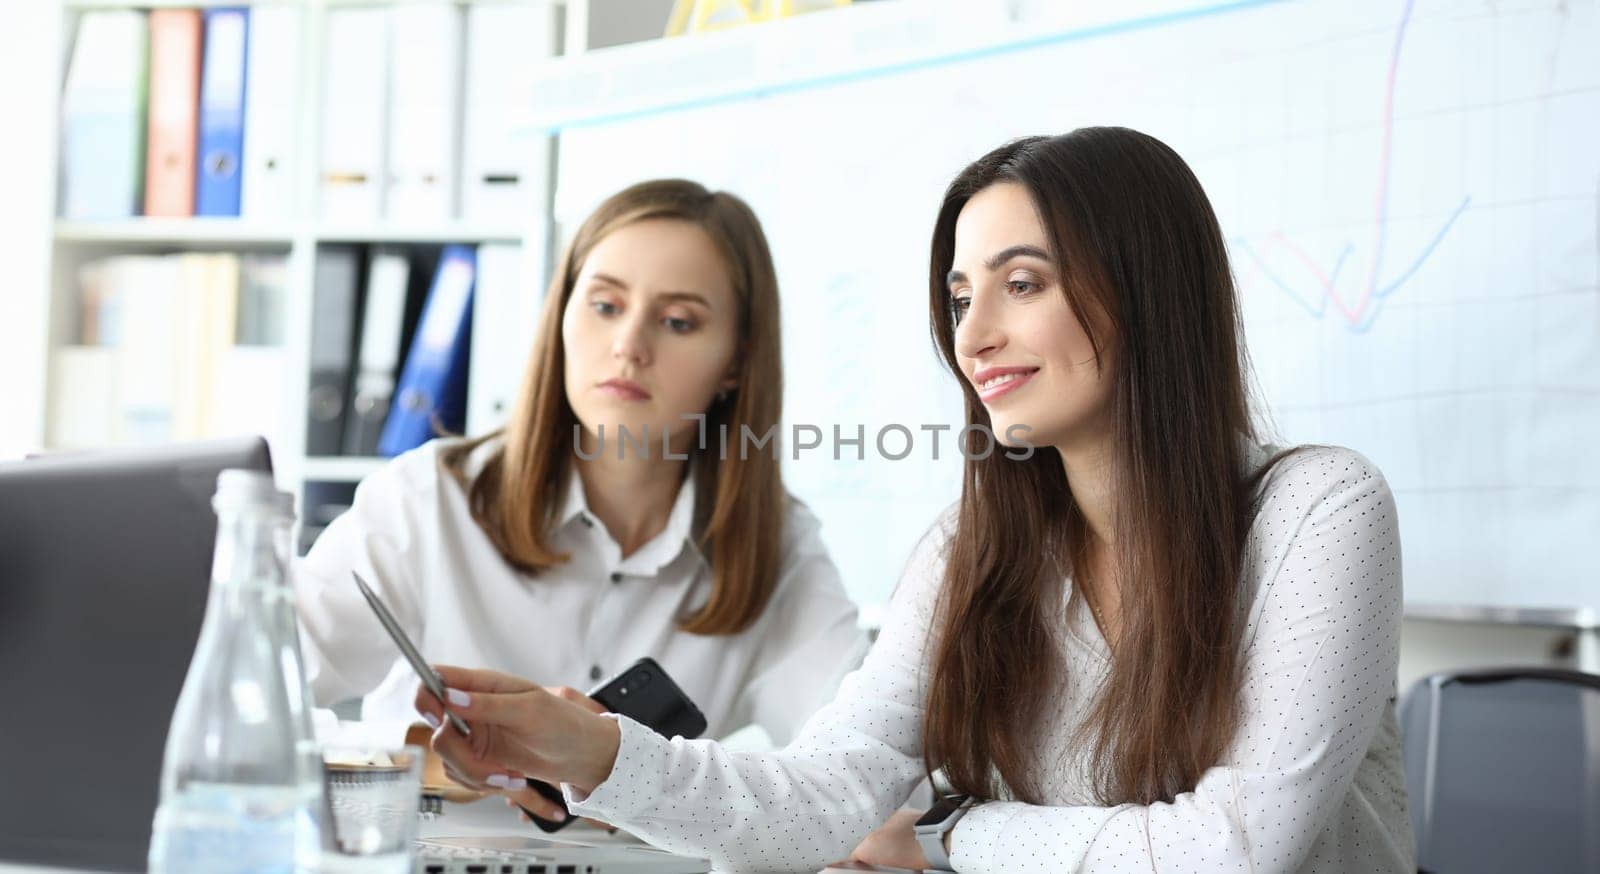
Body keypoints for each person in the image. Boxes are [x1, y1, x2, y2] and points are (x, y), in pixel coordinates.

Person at [415, 129, 1415, 873]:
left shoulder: (1319, 513)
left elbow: (1233, 851)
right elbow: (814, 798)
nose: (972, 335)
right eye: (958, 296)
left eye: (1020, 284)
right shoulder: (971, 552)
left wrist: (950, 830)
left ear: (1143, 290)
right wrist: (591, 749)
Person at [295, 179, 868, 767]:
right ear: (562, 314)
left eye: (677, 321)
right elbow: (265, 672)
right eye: (605, 306)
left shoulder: (774, 547)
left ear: (736, 362)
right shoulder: (427, 499)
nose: (628, 345)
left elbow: (868, 759)